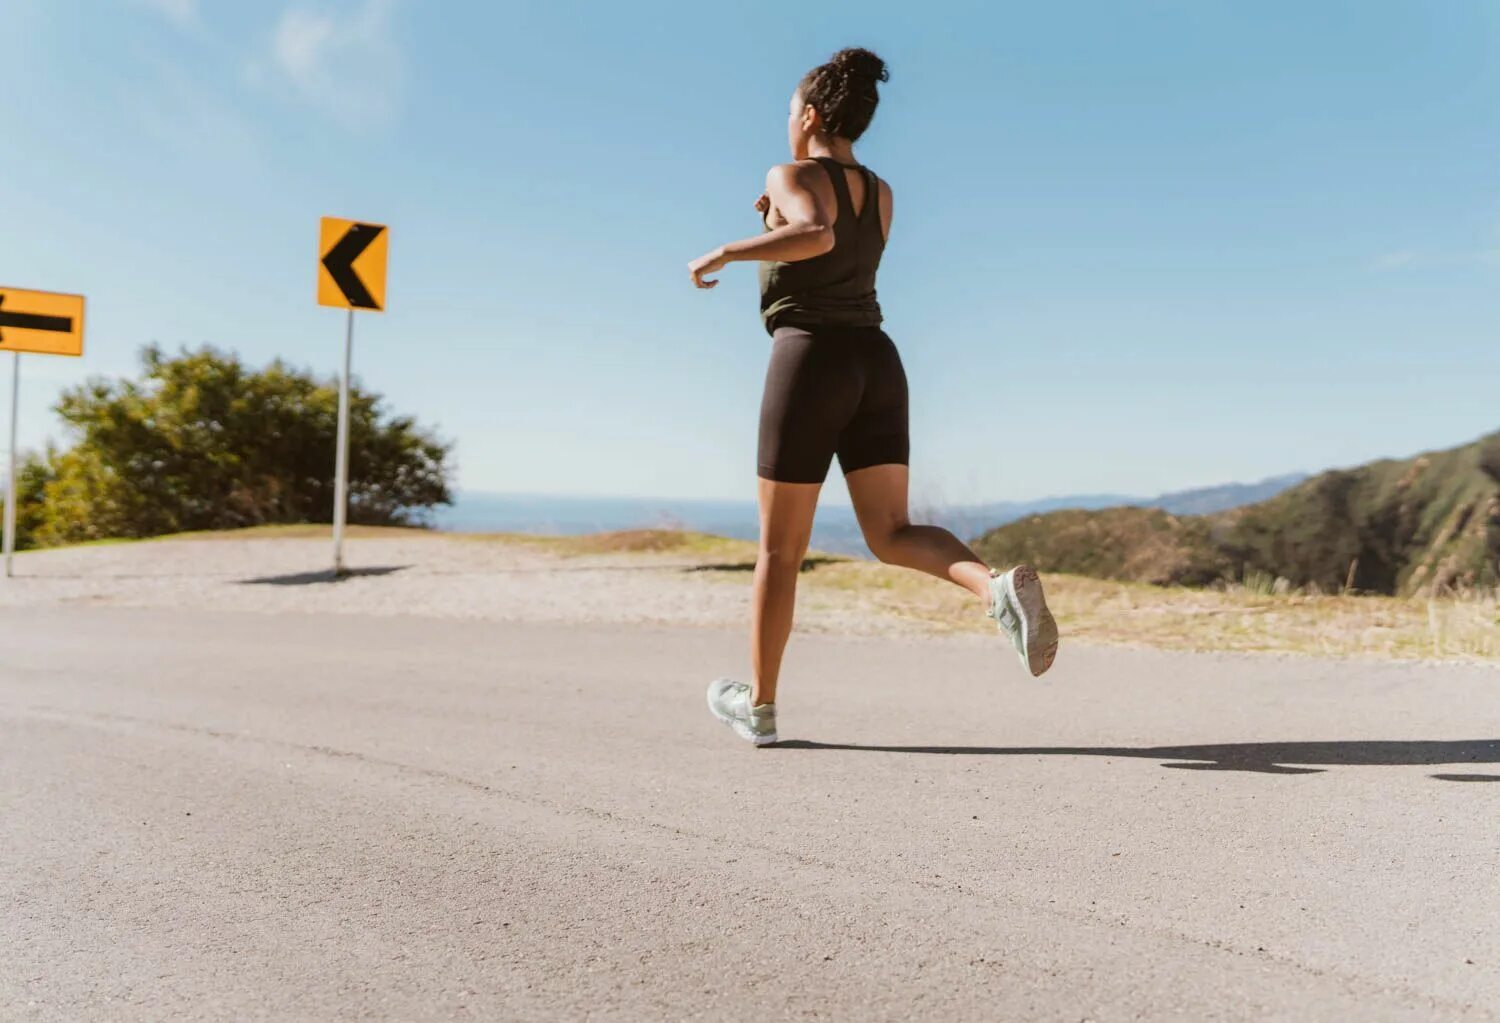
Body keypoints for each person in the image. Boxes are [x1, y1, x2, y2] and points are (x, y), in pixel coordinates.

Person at [688, 47, 1058, 747]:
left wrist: (729, 250)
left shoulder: (790, 172)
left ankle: (759, 706)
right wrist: (777, 227)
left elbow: (817, 235)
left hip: (811, 362)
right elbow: (830, 240)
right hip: (877, 363)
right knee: (891, 533)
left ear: (810, 114)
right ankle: (994, 590)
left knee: (779, 551)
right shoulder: (881, 190)